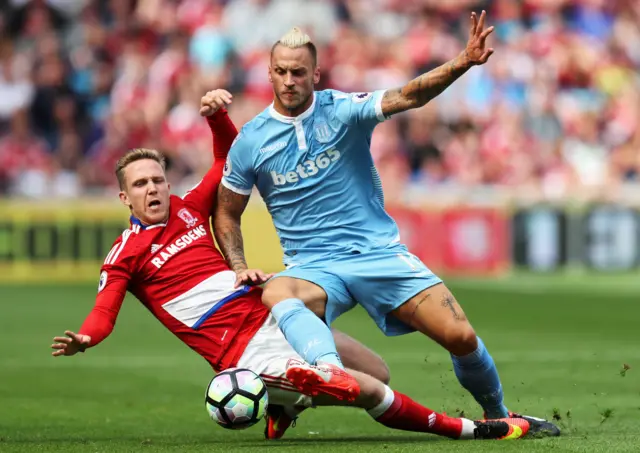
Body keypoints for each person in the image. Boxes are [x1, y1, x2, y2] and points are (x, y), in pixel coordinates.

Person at [50, 89, 530, 442]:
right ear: (123, 197)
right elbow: (104, 312)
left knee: (377, 371)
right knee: (363, 389)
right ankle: (469, 430)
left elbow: (227, 162)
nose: (153, 189)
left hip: (273, 317)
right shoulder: (124, 254)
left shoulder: (188, 208)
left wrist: (219, 118)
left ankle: (287, 402)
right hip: (244, 354)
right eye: (140, 185)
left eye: (157, 179)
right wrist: (85, 338)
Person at [214, 12, 559, 437]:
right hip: (313, 267)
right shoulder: (251, 139)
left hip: (377, 254)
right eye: (281, 72)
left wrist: (463, 62)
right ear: (268, 73)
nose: (289, 80)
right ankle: (326, 373)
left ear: (315, 74)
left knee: (461, 336)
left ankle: (498, 411)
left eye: (298, 72)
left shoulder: (343, 110)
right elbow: (227, 211)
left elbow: (408, 96)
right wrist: (237, 263)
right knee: (277, 289)